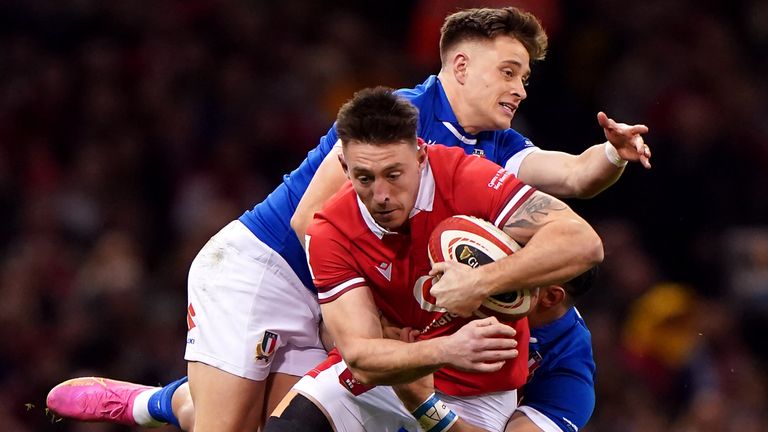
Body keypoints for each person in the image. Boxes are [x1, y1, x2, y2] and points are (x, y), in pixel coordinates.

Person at [46, 6, 648, 431]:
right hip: (267, 269)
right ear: (461, 67)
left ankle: (162, 402)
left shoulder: (495, 145)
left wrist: (610, 155)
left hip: (337, 289)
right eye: (509, 71)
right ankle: (151, 405)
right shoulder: (394, 120)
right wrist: (373, 322)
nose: (520, 88)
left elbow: (571, 177)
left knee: (277, 425)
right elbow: (315, 221)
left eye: (526, 77)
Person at [264, 86, 602, 431]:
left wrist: (481, 281)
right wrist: (445, 350)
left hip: (480, 390)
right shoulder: (330, 231)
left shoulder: (467, 177)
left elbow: (583, 243)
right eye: (364, 178)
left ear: (420, 157)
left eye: (394, 174)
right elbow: (361, 358)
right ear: (344, 167)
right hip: (395, 367)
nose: (380, 195)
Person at [390, 267, 599, 432]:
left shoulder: (568, 367)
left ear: (550, 297)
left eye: (524, 265)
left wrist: (423, 404)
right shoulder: (467, 277)